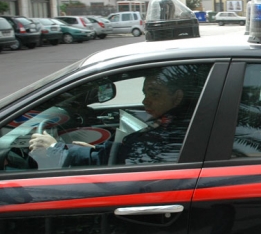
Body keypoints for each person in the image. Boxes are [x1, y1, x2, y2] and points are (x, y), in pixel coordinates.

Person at [29, 65, 204, 167]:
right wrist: (93, 149)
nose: (146, 102)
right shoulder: (171, 122)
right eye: (145, 94)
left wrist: (55, 150)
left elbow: (116, 160)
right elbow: (123, 152)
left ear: (177, 97)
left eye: (155, 94)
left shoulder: (173, 132)